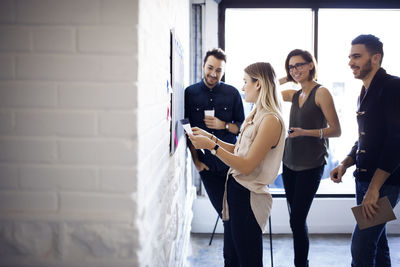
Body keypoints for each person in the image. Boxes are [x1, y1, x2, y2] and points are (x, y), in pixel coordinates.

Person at [189, 62, 286, 267]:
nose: (242, 88)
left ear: (258, 84)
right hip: (235, 192)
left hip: (248, 198)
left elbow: (247, 165)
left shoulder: (271, 120)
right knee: (231, 258)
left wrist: (211, 147)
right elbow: (238, 149)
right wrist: (211, 138)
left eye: (245, 82)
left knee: (248, 260)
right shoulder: (255, 114)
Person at [330, 34, 400, 267]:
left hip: (383, 184)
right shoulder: (364, 91)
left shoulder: (393, 87)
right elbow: (365, 138)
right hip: (364, 181)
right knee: (377, 245)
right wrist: (346, 162)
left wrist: (374, 188)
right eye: (350, 57)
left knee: (360, 246)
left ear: (376, 58)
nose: (351, 62)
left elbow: (395, 141)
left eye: (357, 56)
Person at [280, 49, 341, 267]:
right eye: (291, 67)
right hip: (289, 164)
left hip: (311, 165)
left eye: (299, 65)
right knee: (296, 220)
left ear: (310, 65)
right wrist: (286, 78)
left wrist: (305, 132)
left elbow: (336, 130)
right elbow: (263, 90)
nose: (295, 70)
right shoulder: (294, 94)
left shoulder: (321, 92)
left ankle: (301, 264)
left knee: (296, 219)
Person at [184, 48, 245, 217]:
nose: (213, 73)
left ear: (223, 71)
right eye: (210, 68)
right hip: (207, 167)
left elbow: (242, 127)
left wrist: (223, 125)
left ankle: (233, 244)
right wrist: (196, 162)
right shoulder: (189, 93)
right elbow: (186, 130)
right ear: (203, 65)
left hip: (231, 165)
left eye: (218, 70)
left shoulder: (232, 93)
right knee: (224, 213)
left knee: (235, 214)